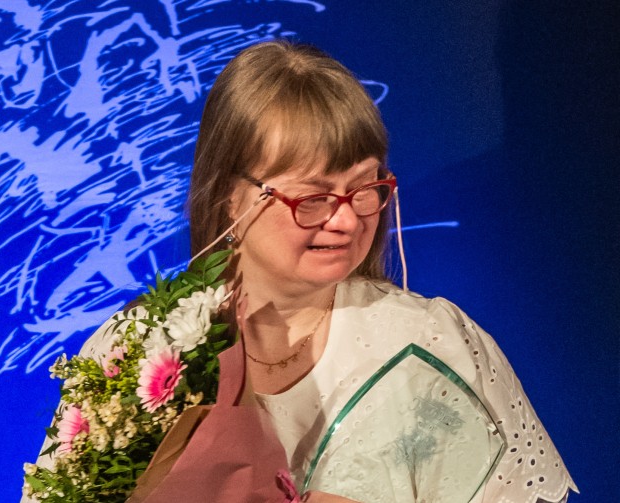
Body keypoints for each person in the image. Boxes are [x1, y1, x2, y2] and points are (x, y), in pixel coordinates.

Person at [184, 40, 577, 502]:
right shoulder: (144, 353)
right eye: (312, 197)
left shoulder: (431, 343)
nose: (347, 220)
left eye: (364, 187)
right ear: (230, 196)